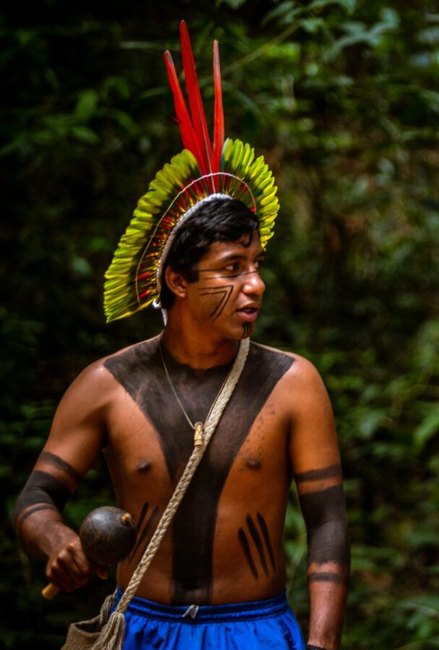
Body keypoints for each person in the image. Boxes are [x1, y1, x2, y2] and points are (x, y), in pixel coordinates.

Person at [12, 22, 348, 649]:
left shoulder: (293, 384)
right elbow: (35, 497)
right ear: (178, 280)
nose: (255, 286)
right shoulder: (108, 386)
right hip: (141, 629)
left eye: (256, 266)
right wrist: (55, 540)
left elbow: (327, 523)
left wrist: (323, 642)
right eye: (231, 270)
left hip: (256, 630)